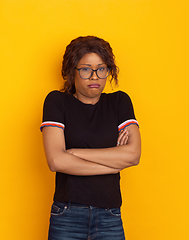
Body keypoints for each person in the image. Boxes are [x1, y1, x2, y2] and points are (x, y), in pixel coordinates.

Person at [40, 36, 141, 240]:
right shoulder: (57, 102)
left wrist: (76, 153)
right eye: (86, 69)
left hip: (110, 216)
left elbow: (133, 155)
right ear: (72, 72)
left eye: (101, 69)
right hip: (67, 215)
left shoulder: (119, 102)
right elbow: (56, 161)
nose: (94, 76)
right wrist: (113, 163)